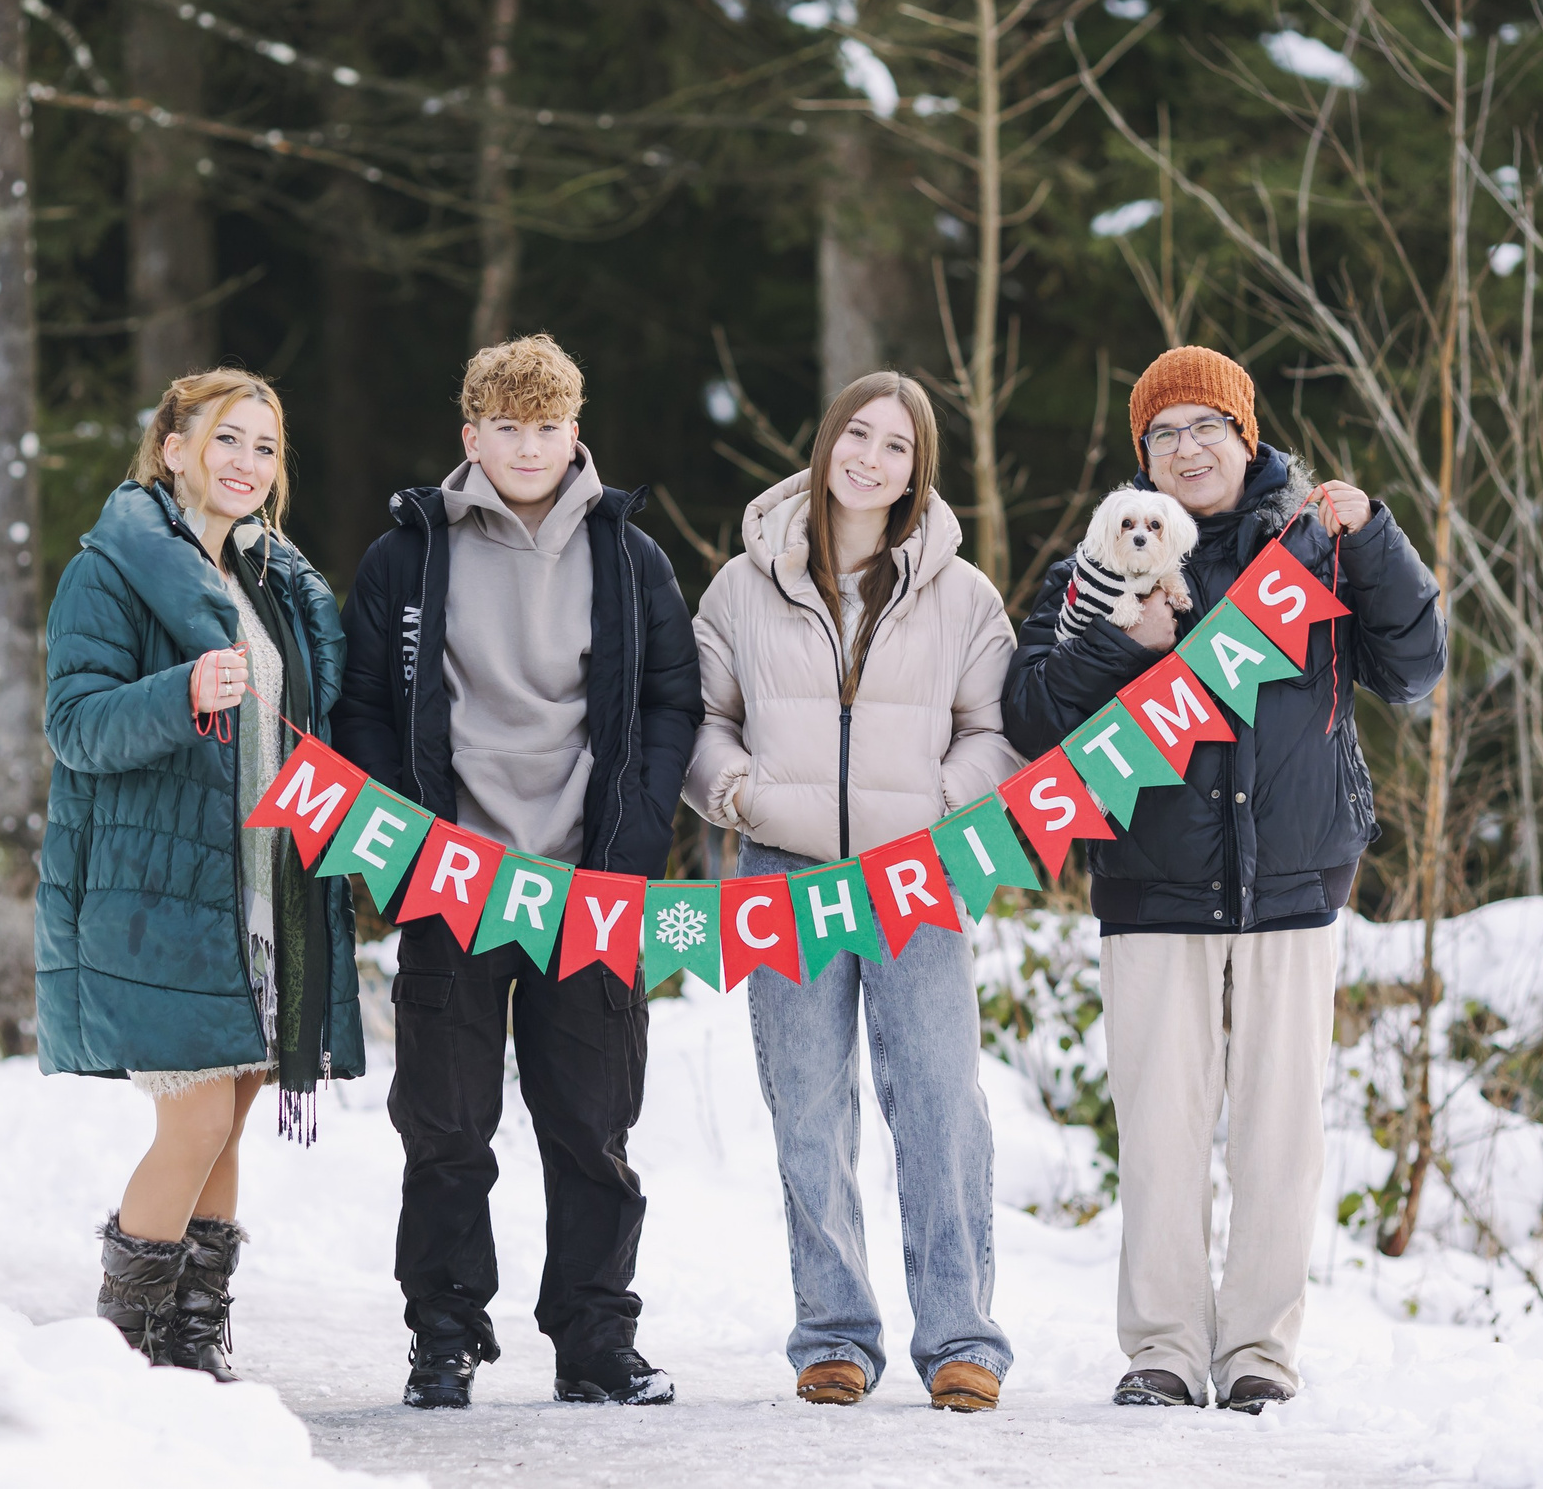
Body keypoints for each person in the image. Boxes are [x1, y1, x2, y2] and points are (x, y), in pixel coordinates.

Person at [1002, 345, 1444, 1413]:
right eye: (1164, 434)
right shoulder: (1101, 564)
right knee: (1158, 1134)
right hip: (1152, 885)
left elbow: (1415, 665)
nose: (1188, 448)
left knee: (1279, 1138)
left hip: (1293, 877)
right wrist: (1121, 645)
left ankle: (1258, 1355)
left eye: (1208, 427)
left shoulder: (1320, 545)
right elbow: (1031, 719)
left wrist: (1374, 536)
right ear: (1140, 460)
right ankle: (1160, 1348)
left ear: (1247, 439)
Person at [334, 335, 701, 1409]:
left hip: (585, 884)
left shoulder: (630, 558)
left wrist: (629, 848)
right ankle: (444, 1333)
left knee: (591, 1125)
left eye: (547, 428)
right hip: (452, 876)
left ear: (574, 433)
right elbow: (363, 706)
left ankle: (594, 1339)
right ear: (471, 436)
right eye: (506, 427)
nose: (528, 447)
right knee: (445, 1127)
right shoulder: (406, 555)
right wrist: (401, 843)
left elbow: (670, 703)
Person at [683, 371, 1023, 1414]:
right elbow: (698, 720)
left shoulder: (961, 596)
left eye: (896, 447)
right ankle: (833, 1333)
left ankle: (961, 1336)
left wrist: (937, 801)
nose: (870, 459)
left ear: (918, 470)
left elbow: (994, 732)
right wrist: (736, 794)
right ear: (826, 442)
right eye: (857, 436)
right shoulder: (743, 585)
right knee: (807, 1109)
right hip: (782, 879)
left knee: (937, 1103)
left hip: (912, 878)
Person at [34, 368, 360, 1382]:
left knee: (236, 1105)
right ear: (172, 448)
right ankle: (120, 1344)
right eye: (227, 439)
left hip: (264, 882)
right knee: (199, 1112)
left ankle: (192, 1338)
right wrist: (181, 691)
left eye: (266, 447)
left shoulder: (271, 582)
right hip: (157, 892)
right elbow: (75, 728)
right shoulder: (111, 571)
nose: (247, 464)